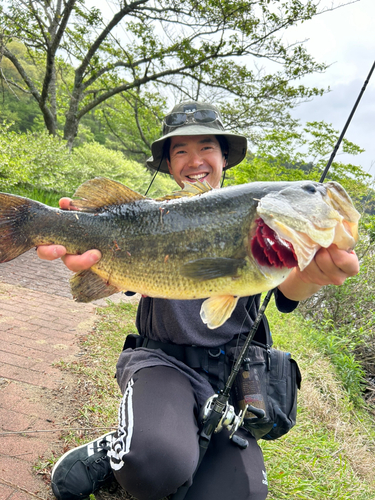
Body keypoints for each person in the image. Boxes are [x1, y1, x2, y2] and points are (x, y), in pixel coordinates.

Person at [37, 101, 359, 500]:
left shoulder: (263, 226)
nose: (195, 161)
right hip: (162, 361)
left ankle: (170, 438)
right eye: (180, 151)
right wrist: (79, 236)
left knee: (241, 494)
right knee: (155, 465)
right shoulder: (154, 214)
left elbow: (289, 290)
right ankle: (121, 447)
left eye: (206, 147)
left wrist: (311, 276)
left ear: (224, 156)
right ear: (169, 164)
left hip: (228, 380)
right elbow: (124, 277)